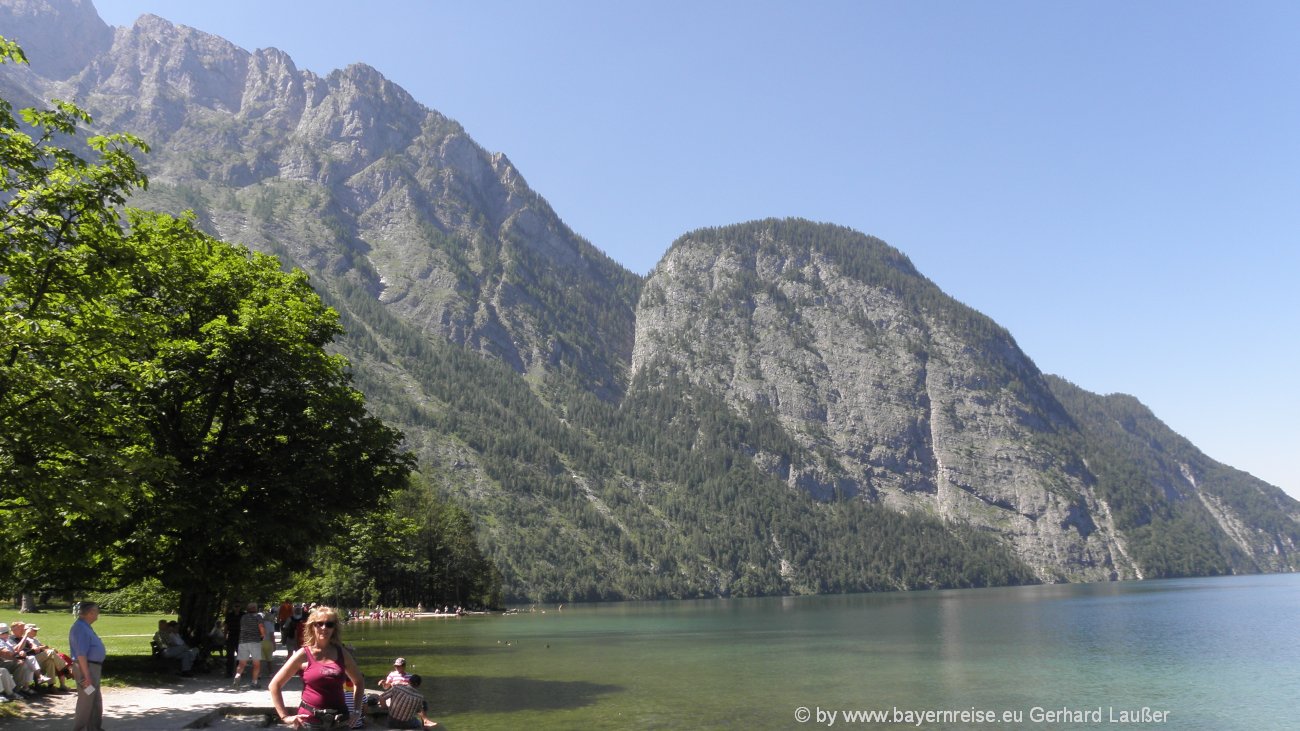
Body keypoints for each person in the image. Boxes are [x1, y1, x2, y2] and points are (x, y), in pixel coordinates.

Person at [270, 605, 365, 729]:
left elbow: (359, 681)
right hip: (309, 721)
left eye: (329, 624)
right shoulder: (303, 654)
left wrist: (357, 711)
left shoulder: (342, 653)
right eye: (319, 624)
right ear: (312, 626)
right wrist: (285, 717)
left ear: (334, 628)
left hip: (340, 721)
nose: (324, 628)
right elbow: (274, 685)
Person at [69, 601, 106, 731]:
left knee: (95, 699)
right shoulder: (79, 628)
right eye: (96, 611)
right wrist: (87, 675)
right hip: (86, 668)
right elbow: (81, 654)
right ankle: (80, 728)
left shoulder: (85, 626)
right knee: (86, 700)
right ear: (90, 613)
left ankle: (94, 728)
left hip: (93, 667)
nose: (98, 613)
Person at [232, 601, 266, 689]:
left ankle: (237, 676)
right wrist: (263, 635)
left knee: (242, 663)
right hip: (254, 641)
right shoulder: (258, 617)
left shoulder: (243, 617)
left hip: (243, 642)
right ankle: (254, 682)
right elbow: (261, 627)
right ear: (255, 608)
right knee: (256, 663)